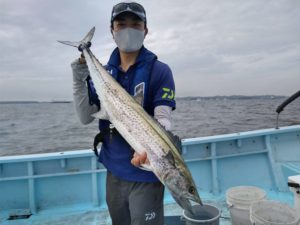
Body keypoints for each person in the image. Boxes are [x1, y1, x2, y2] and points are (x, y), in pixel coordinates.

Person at [71, 2, 176, 225]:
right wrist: (78, 73)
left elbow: (163, 118)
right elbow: (84, 117)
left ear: (145, 30)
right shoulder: (104, 72)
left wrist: (154, 148)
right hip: (114, 170)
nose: (129, 29)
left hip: (147, 175)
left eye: (136, 24)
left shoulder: (160, 70)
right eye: (121, 24)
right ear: (113, 31)